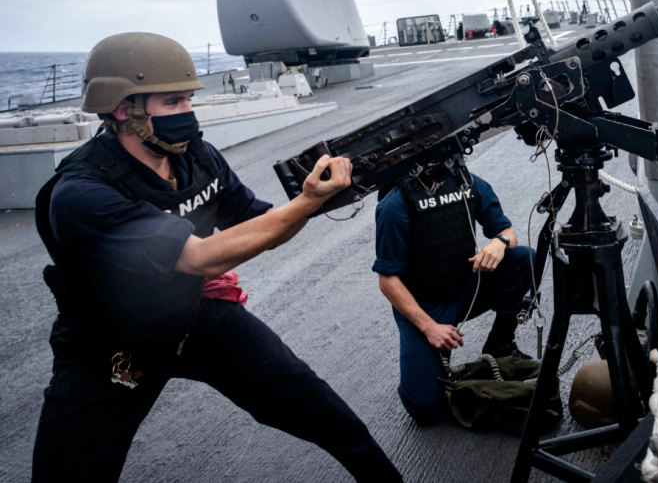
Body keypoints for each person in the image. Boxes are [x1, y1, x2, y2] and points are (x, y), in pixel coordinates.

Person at [32, 32, 401, 482]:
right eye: (173, 102)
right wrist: (305, 204)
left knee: (321, 411)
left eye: (189, 99)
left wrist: (340, 185)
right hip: (111, 345)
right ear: (124, 109)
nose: (188, 114)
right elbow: (202, 258)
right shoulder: (83, 193)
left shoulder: (196, 157)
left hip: (195, 317)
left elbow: (258, 225)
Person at [373, 158, 534, 424]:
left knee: (526, 258)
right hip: (425, 308)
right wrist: (429, 328)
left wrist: (500, 242)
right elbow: (388, 281)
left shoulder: (468, 183)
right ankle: (427, 361)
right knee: (425, 408)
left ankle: (500, 345)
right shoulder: (394, 204)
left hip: (467, 288)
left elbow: (507, 232)